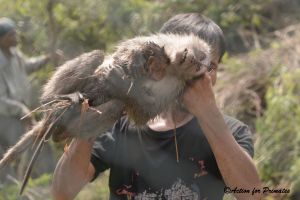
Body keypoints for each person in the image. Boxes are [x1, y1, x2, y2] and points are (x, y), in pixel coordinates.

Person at [52, 13, 261, 200]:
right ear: (158, 65)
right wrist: (89, 122)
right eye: (189, 62)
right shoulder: (121, 125)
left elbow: (251, 194)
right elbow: (63, 192)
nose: (200, 74)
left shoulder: (231, 132)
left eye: (211, 66)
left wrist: (209, 113)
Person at [0, 17, 55, 172]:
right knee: (18, 145)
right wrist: (22, 110)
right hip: (6, 116)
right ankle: (12, 181)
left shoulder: (14, 53)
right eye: (10, 35)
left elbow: (27, 65)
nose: (15, 36)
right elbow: (1, 101)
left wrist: (46, 59)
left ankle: (46, 173)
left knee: (37, 137)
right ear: (1, 40)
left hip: (21, 111)